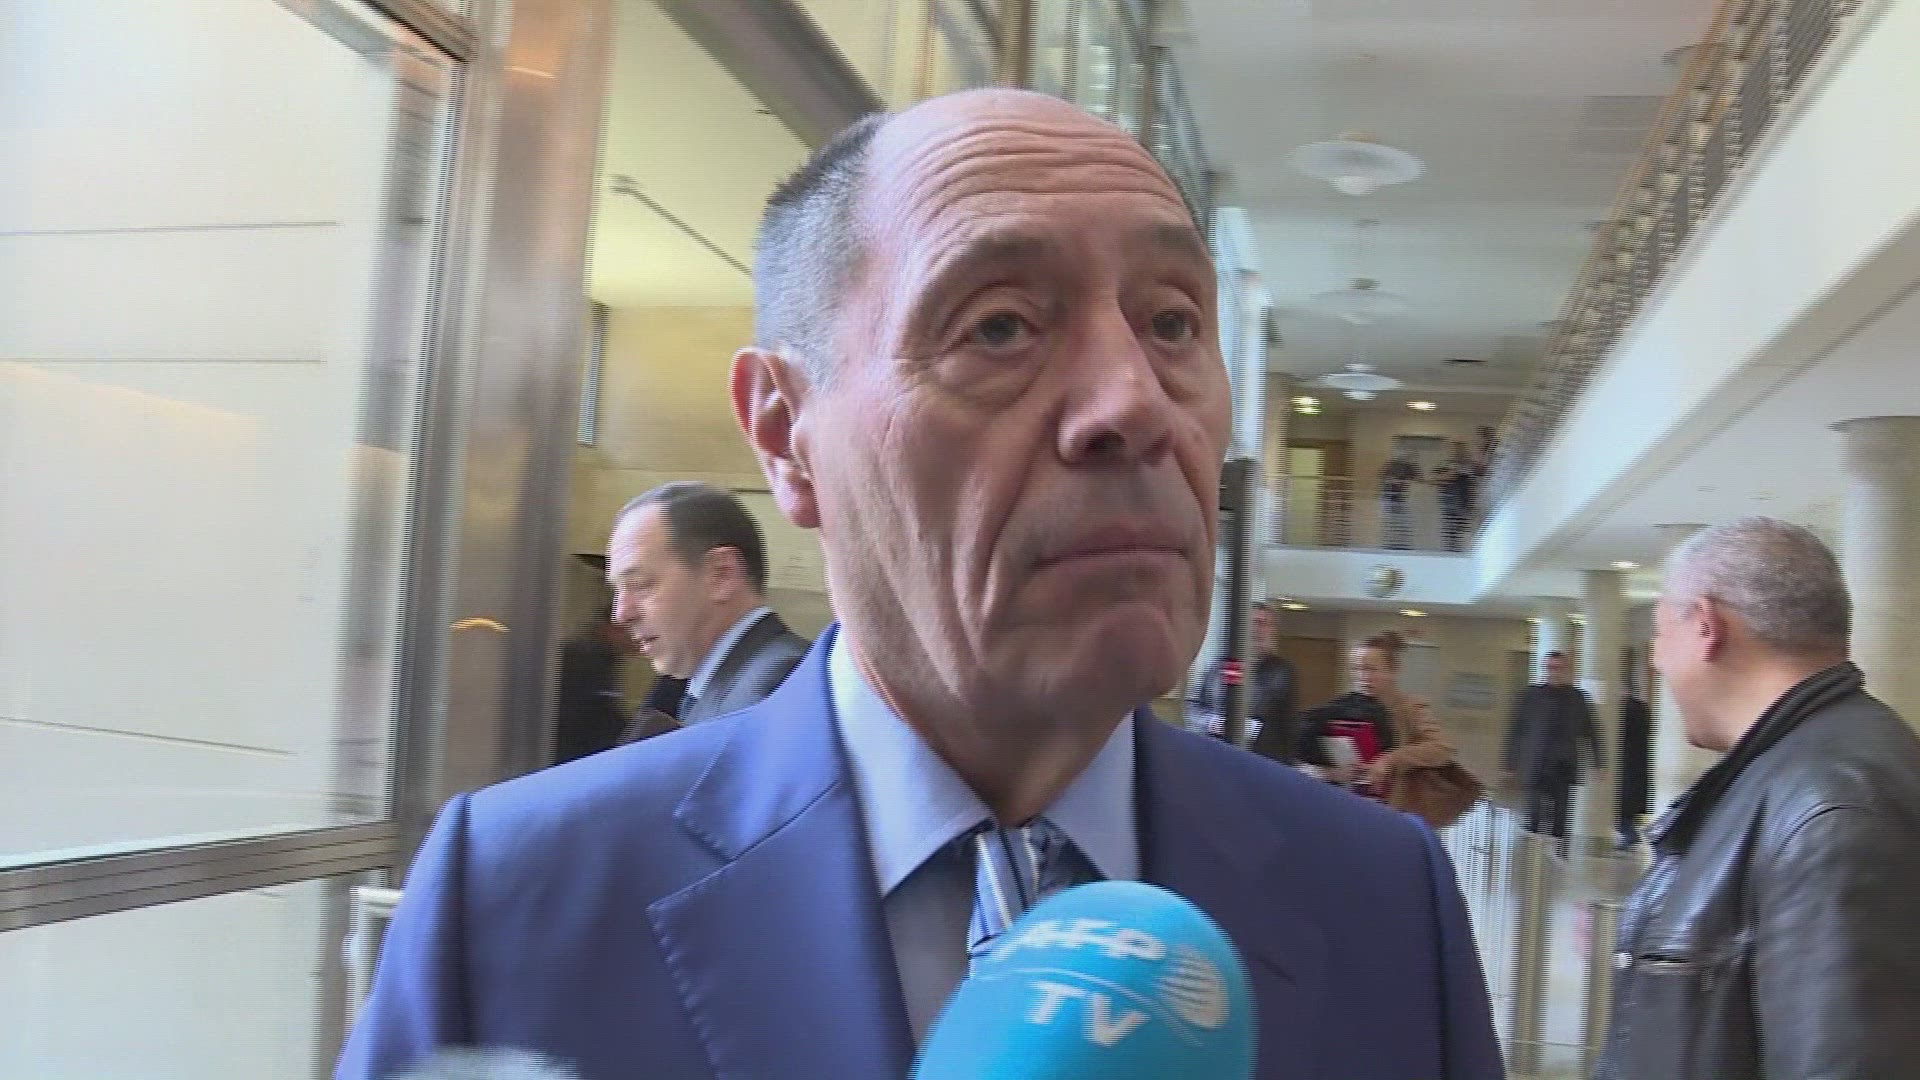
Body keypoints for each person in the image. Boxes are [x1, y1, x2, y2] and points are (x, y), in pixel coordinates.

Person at [338, 90, 1499, 1080]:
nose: (1136, 403)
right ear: (786, 433)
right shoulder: (519, 899)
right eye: (999, 328)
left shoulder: (1383, 899)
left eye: (1172, 322)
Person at [1600, 517, 1920, 1078]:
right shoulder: (1785, 771)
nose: (1656, 658)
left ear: (1707, 625)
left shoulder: (1833, 803)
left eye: (1660, 631)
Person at [606, 481, 807, 725]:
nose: (621, 613)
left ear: (722, 574)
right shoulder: (715, 686)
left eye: (640, 584)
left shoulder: (778, 690)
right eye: (617, 590)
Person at [1298, 632, 1466, 827]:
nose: (1363, 677)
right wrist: (1330, 772)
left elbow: (1442, 748)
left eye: (1371, 669)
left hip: (1395, 809)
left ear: (1393, 671)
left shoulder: (1410, 707)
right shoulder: (1343, 707)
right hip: (1348, 805)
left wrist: (1389, 760)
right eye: (1357, 669)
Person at [1501, 649, 1603, 855]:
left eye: (1558, 668)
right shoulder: (1531, 696)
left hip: (1564, 765)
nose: (1554, 672)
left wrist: (1599, 762)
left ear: (1566, 670)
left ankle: (1558, 853)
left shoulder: (1578, 698)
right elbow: (1516, 730)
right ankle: (1533, 856)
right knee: (1534, 814)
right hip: (1536, 763)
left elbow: (1592, 731)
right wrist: (1509, 762)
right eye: (1550, 668)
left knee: (1561, 816)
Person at [1186, 601, 1301, 763]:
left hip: (1259, 759)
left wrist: (1253, 730)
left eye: (1263, 624)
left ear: (1272, 630)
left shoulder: (1283, 671)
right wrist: (1210, 722)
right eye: (1253, 622)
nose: (1257, 629)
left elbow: (1288, 726)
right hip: (1215, 756)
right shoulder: (1218, 666)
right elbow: (1194, 706)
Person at [551, 604, 634, 763]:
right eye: (629, 630)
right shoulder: (587, 660)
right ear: (611, 629)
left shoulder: (600, 658)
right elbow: (597, 714)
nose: (636, 637)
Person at [1615, 649, 1653, 849]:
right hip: (1638, 763)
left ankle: (1631, 836)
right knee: (1627, 807)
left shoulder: (1626, 710)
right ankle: (1630, 834)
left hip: (1627, 764)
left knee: (1622, 807)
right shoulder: (1643, 709)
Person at [1379, 452, 1420, 549]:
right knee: (1393, 520)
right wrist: (1395, 481)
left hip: (1401, 498)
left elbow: (1418, 479)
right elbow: (1383, 476)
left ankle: (1400, 544)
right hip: (1390, 496)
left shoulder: (1410, 467)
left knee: (1402, 520)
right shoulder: (1392, 465)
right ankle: (1392, 544)